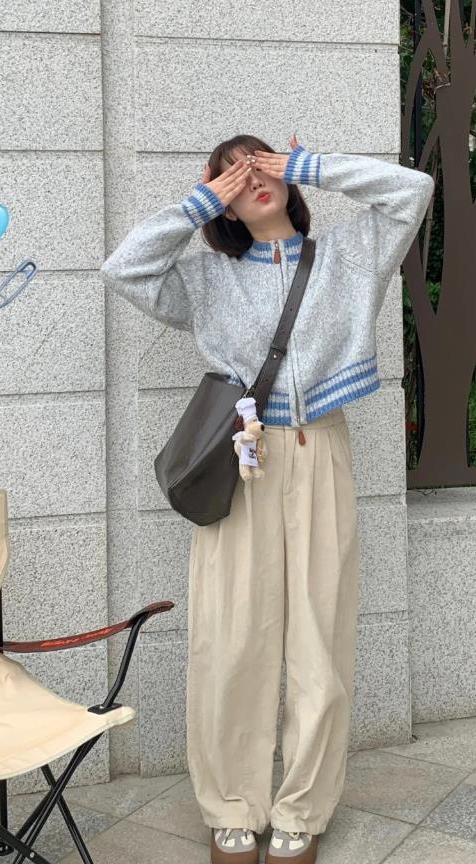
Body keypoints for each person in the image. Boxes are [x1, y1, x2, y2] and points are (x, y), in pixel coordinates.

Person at [99, 134, 434, 864]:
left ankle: (301, 811)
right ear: (223, 202)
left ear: (285, 175)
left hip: (320, 452)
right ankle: (231, 807)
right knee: (231, 638)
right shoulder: (208, 278)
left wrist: (310, 165)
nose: (249, 175)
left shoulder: (349, 255)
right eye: (230, 173)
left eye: (258, 161)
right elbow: (123, 268)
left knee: (320, 639)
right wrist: (198, 204)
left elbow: (413, 190)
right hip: (239, 460)